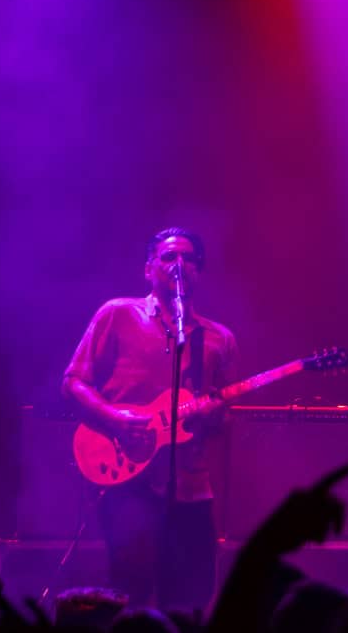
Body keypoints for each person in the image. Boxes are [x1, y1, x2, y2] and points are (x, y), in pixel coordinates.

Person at [63, 228, 238, 610]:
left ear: (199, 272)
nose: (180, 264)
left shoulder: (218, 339)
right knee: (130, 588)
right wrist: (114, 419)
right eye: (169, 256)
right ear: (148, 269)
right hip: (130, 479)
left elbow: (224, 420)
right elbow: (74, 381)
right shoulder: (118, 314)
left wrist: (213, 418)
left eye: (189, 258)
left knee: (193, 593)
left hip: (191, 484)